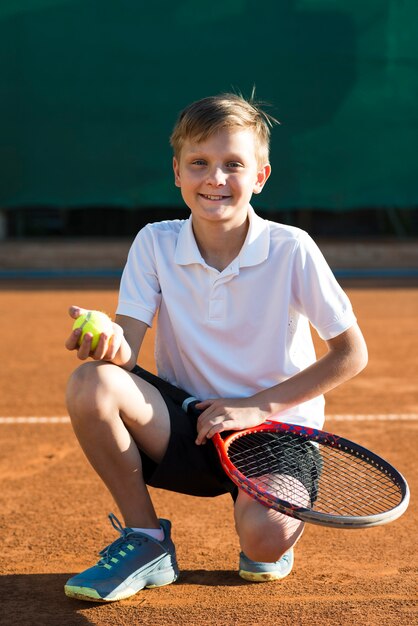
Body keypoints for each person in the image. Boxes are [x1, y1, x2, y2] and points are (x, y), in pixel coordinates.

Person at [64, 93, 368, 602]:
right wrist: (110, 341)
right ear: (177, 172)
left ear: (261, 176)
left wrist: (254, 406)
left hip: (274, 429)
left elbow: (350, 353)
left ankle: (264, 513)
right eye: (199, 163)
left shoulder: (291, 247)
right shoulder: (155, 243)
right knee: (91, 383)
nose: (216, 179)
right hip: (188, 420)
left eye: (233, 165)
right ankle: (145, 539)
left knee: (264, 543)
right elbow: (126, 360)